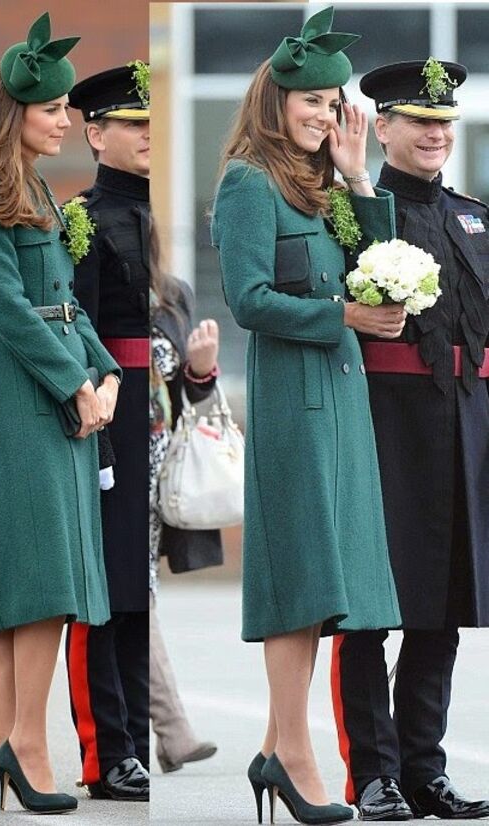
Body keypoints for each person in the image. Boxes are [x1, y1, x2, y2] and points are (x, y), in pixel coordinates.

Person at [211, 7, 406, 824]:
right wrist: (341, 318)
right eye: (311, 101)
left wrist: (359, 178)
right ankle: (294, 756)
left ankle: (273, 750)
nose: (324, 115)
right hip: (294, 399)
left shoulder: (324, 185)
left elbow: (380, 271)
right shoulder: (247, 182)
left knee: (332, 579)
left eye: (333, 103)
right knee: (301, 578)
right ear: (276, 98)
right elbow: (248, 300)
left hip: (343, 398)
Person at [0, 12, 121, 815]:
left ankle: (8, 735)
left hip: (61, 383)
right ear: (15, 112)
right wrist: (73, 384)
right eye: (51, 110)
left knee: (42, 567)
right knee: (38, 572)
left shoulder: (36, 188)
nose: (66, 121)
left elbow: (65, 300)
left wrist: (106, 372)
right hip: (25, 392)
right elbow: (9, 308)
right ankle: (30, 743)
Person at [331, 58, 489, 821]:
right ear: (383, 126)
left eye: (444, 122)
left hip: (463, 425)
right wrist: (355, 185)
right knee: (370, 606)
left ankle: (425, 770)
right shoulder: (356, 210)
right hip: (384, 426)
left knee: (444, 604)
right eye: (420, 121)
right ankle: (373, 773)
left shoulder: (473, 216)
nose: (436, 134)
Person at [64, 62, 150, 801]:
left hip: (166, 415)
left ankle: (146, 743)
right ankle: (109, 753)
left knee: (147, 595)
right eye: (135, 122)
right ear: (95, 135)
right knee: (110, 590)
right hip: (114, 409)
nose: (151, 133)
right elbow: (76, 329)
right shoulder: (83, 218)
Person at [150, 226, 219, 774]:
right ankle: (172, 732)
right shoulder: (96, 290)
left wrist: (202, 366)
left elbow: (190, 394)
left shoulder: (174, 295)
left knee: (136, 596)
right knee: (132, 598)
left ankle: (163, 736)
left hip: (163, 469)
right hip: (109, 464)